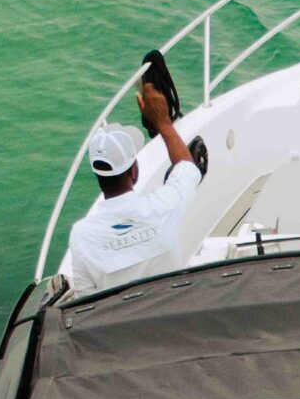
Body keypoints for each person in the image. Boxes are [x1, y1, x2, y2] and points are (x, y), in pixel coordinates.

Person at [62, 82, 202, 295]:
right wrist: (163, 122)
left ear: (99, 177)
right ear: (134, 171)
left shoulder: (82, 236)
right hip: (175, 317)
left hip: (125, 327)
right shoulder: (165, 205)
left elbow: (86, 300)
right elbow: (188, 169)